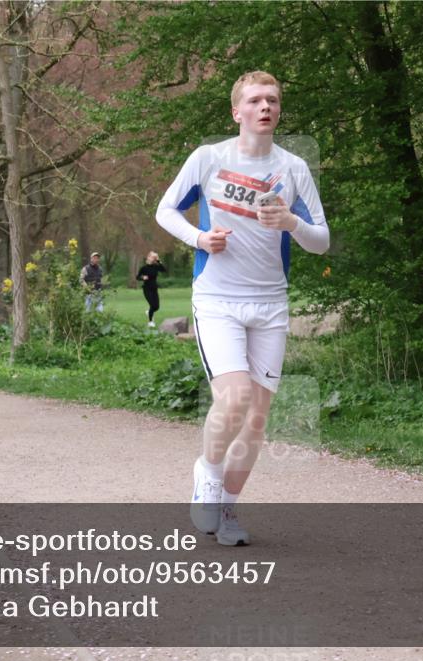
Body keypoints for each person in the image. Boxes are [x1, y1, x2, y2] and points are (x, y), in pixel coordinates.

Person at [155, 71, 329, 546]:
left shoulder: (293, 169)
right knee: (233, 399)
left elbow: (322, 240)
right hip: (217, 299)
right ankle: (207, 473)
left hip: (270, 304)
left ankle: (228, 510)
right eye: (254, 100)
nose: (264, 106)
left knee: (256, 418)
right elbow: (165, 210)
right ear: (237, 112)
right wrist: (199, 238)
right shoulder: (209, 158)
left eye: (272, 99)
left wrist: (292, 221)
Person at [136, 251, 167, 328]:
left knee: (156, 307)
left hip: (154, 288)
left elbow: (164, 270)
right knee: (152, 305)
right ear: (148, 257)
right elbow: (137, 277)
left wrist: (158, 260)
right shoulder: (143, 268)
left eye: (155, 257)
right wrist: (143, 277)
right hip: (146, 289)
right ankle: (150, 322)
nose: (153, 259)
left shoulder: (156, 267)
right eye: (152, 257)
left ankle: (149, 312)